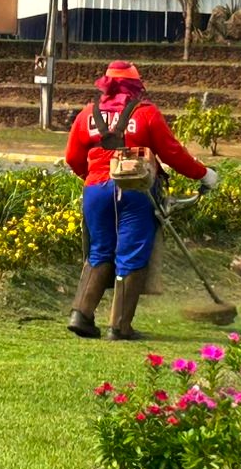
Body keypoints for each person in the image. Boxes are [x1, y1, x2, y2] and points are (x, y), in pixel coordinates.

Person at [63, 61, 219, 341]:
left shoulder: (87, 114)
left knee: (99, 251)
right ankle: (119, 327)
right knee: (130, 254)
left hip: (96, 189)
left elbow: (73, 158)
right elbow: (172, 153)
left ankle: (81, 315)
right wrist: (204, 174)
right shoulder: (146, 113)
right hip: (135, 191)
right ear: (135, 87)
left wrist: (95, 179)